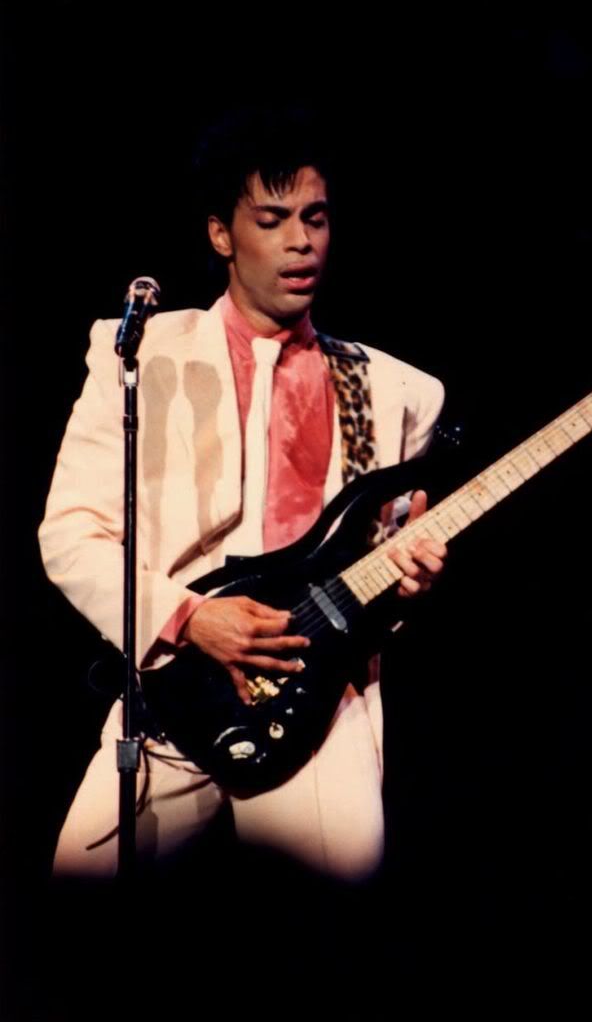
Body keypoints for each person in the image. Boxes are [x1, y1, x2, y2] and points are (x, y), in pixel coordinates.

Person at [38, 107, 446, 881]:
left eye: (315, 218)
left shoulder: (392, 390)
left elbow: (383, 558)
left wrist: (412, 577)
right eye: (273, 219)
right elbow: (70, 533)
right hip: (172, 690)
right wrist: (190, 619)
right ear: (222, 234)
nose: (301, 241)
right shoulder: (143, 356)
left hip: (316, 700)